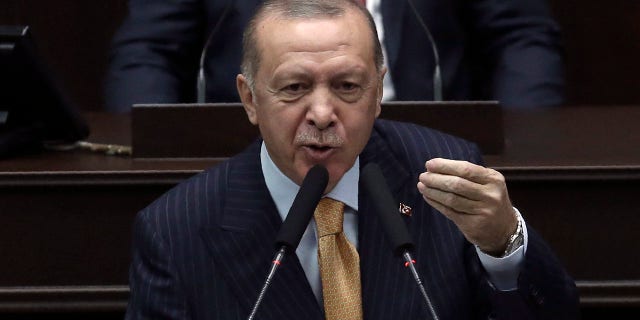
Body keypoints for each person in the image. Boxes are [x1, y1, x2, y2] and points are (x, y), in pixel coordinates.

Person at [125, 1, 578, 319]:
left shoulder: (444, 180)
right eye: (295, 88)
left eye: (347, 87)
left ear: (378, 92)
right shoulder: (176, 231)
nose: (322, 114)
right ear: (249, 99)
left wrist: (503, 245)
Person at [105, 0, 565, 112]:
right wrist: (157, 158)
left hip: (427, 157)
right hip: (246, 158)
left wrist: (520, 151)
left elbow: (520, 38)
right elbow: (148, 52)